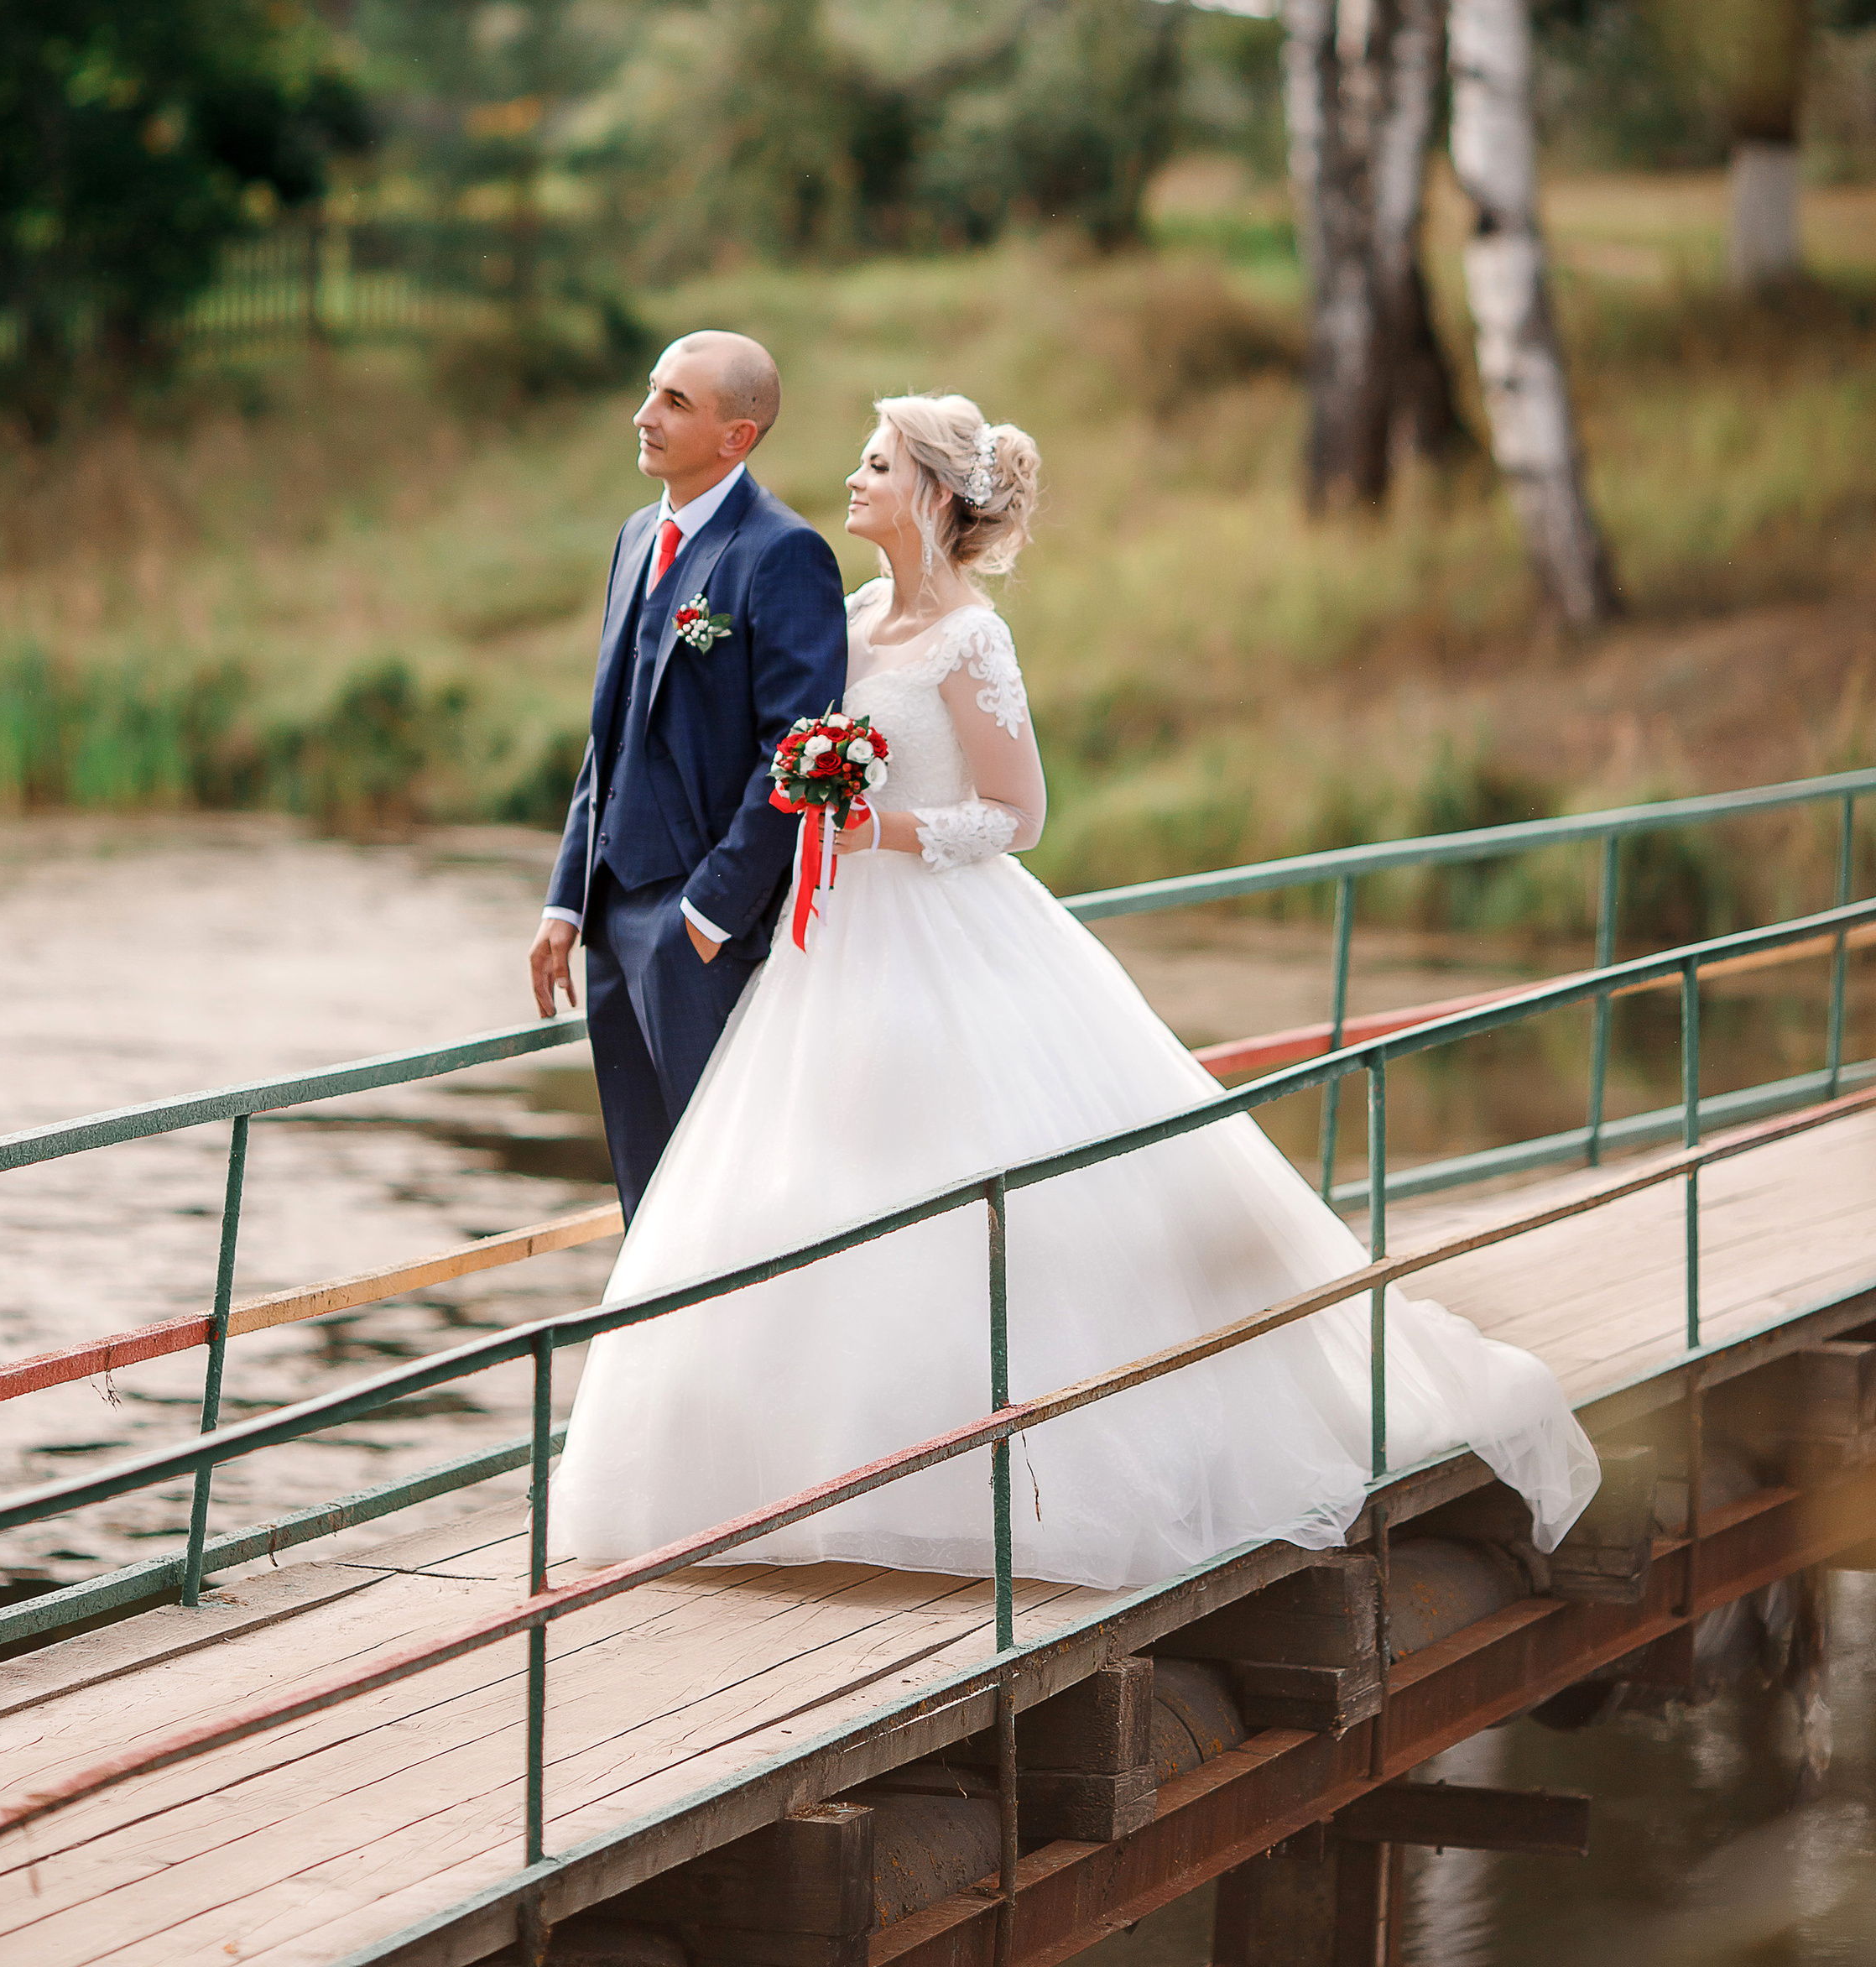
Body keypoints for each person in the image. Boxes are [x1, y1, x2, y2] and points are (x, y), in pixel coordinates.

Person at [550, 390, 1599, 1589]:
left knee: (971, 1183)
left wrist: (881, 829)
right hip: (832, 945)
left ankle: (1011, 1472)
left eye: (878, 463)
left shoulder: (971, 639)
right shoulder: (847, 615)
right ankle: (792, 1480)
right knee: (818, 1178)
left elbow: (1019, 817)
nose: (854, 478)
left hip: (943, 928)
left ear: (933, 497)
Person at [531, 330, 847, 1223]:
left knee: (723, 1195)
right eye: (650, 393)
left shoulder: (783, 553)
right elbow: (611, 735)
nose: (644, 417)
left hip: (699, 932)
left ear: (736, 436)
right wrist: (564, 903)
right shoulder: (637, 536)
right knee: (646, 1192)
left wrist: (706, 915)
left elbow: (796, 757)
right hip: (608, 917)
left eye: (674, 402)